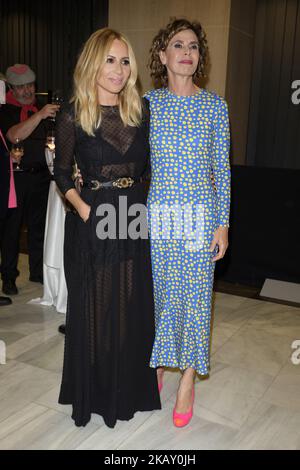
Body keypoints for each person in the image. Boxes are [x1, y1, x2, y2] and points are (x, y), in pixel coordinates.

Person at [54, 28, 161, 428]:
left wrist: (140, 204)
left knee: (129, 304)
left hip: (132, 215)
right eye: (110, 60)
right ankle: (96, 392)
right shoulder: (72, 114)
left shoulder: (140, 111)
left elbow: (148, 169)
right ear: (92, 63)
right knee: (97, 306)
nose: (118, 70)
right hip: (94, 214)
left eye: (125, 60)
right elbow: (62, 174)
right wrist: (84, 210)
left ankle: (126, 390)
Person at [145, 18, 231, 427]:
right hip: (159, 217)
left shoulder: (215, 106)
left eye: (194, 46)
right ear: (163, 56)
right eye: (178, 45)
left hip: (200, 217)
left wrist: (222, 224)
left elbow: (222, 170)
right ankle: (159, 365)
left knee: (196, 301)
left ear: (199, 56)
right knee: (160, 298)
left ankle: (188, 382)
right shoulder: (148, 104)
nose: (186, 52)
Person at [0, 64, 59, 295]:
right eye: (21, 87)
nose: (27, 91)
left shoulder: (42, 109)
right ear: (12, 89)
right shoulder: (5, 111)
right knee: (11, 231)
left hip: (42, 177)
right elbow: (14, 135)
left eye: (30, 85)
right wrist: (40, 115)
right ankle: (9, 276)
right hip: (16, 179)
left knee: (38, 229)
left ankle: (37, 271)